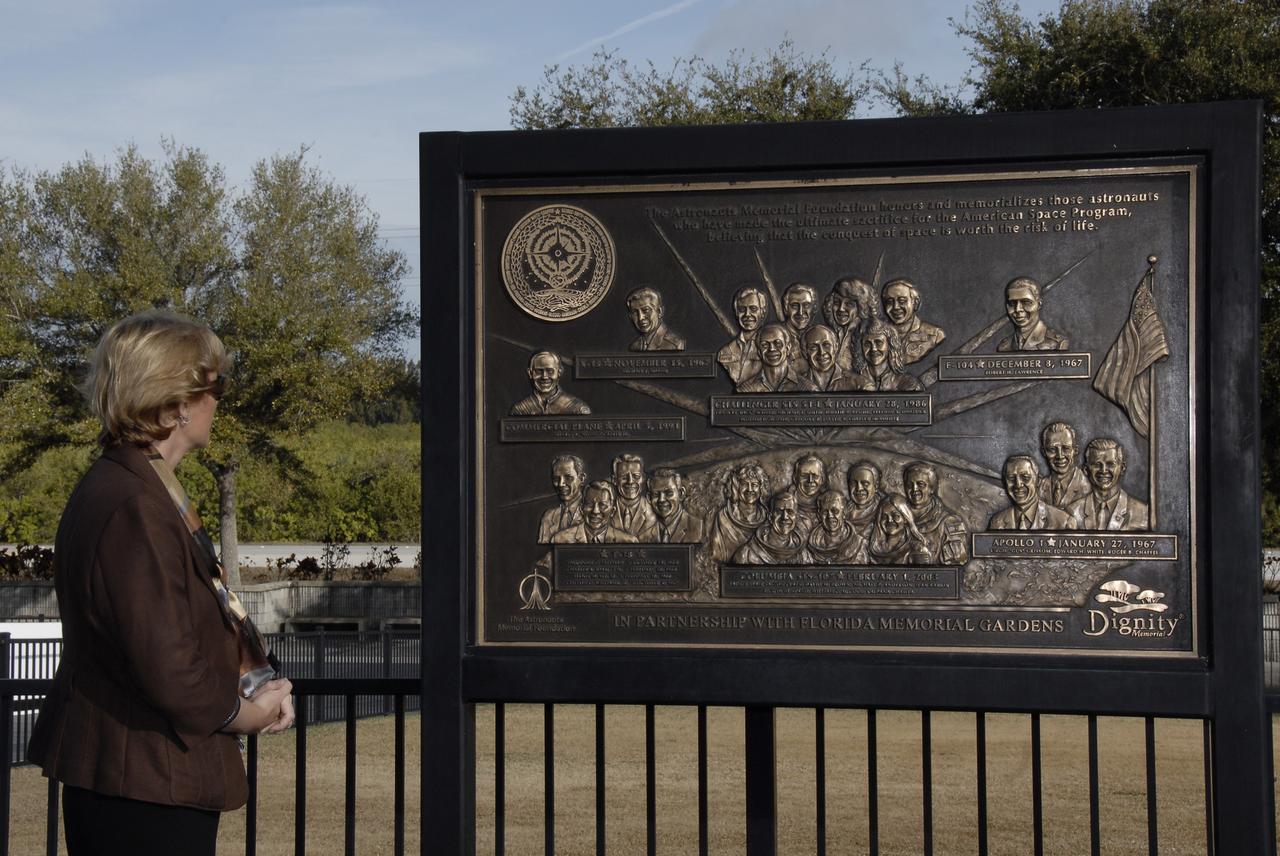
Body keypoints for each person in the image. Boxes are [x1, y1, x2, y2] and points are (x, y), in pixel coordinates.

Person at [27, 310, 294, 856]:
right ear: (175, 405)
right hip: (143, 786)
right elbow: (168, 666)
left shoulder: (138, 488)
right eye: (213, 386)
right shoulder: (134, 505)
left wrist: (252, 682)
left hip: (142, 778)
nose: (219, 400)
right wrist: (249, 714)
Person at [1067, 438, 1150, 531]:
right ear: (1086, 470)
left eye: (1110, 464)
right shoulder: (1073, 512)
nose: (1103, 470)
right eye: (1097, 464)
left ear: (1122, 468)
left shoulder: (1143, 514)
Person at [903, 462, 969, 564]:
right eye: (909, 485)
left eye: (920, 484)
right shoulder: (894, 518)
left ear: (932, 488)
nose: (914, 489)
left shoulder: (948, 521)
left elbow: (955, 566)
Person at [988, 455, 1077, 530]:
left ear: (1038, 481)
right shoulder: (997, 522)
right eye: (1011, 479)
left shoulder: (1063, 522)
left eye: (1025, 477)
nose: (1018, 485)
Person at [706, 460, 770, 562]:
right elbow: (716, 557)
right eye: (745, 484)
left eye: (754, 485)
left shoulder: (768, 519)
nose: (750, 489)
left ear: (761, 489)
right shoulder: (723, 517)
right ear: (736, 487)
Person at [733, 488, 812, 565]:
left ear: (796, 517)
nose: (784, 517)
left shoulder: (804, 557)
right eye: (779, 512)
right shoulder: (746, 555)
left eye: (790, 512)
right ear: (770, 517)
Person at [550, 481, 640, 543]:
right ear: (581, 509)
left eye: (602, 505)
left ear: (612, 511)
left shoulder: (628, 542)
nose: (595, 511)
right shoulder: (560, 540)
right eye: (589, 504)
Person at [881, 278, 945, 364]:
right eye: (889, 301)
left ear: (915, 303)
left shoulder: (935, 335)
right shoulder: (877, 335)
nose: (896, 307)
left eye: (902, 301)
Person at [822, 277, 878, 373]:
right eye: (836, 302)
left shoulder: (869, 336)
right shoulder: (827, 333)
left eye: (849, 304)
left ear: (861, 308)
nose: (841, 309)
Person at [997, 277, 1069, 352]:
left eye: (1026, 302)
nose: (1018, 309)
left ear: (1039, 304)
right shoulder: (1004, 346)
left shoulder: (1057, 344)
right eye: (1012, 303)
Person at [849, 319, 924, 391]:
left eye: (878, 343)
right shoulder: (851, 382)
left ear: (890, 345)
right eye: (867, 344)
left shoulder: (909, 385)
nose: (873, 349)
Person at [509, 350, 591, 415]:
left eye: (550, 371)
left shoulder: (577, 409)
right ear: (530, 373)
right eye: (539, 371)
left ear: (559, 372)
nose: (544, 376)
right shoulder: (519, 410)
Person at [717, 286, 769, 388]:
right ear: (736, 312)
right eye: (742, 309)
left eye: (753, 309)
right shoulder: (725, 352)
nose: (747, 314)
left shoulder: (773, 350)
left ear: (762, 312)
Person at [638, 468, 704, 543]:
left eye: (668, 493)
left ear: (681, 494)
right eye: (656, 494)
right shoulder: (642, 534)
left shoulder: (699, 527)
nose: (661, 499)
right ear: (649, 498)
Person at [1037, 421, 1092, 510]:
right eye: (1052, 449)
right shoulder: (1038, 488)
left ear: (1075, 450)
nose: (1060, 456)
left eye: (1066, 449)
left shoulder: (1088, 487)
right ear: (1044, 452)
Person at [867, 493, 933, 565]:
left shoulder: (917, 550)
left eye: (895, 516)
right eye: (885, 516)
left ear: (905, 518)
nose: (890, 520)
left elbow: (922, 574)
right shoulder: (869, 547)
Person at [808, 490, 869, 564]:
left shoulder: (860, 545)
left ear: (844, 513)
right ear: (819, 515)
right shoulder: (809, 549)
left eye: (835, 511)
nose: (830, 516)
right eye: (825, 512)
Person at [738, 323, 803, 392]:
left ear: (788, 348)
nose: (771, 349)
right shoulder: (745, 390)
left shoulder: (806, 388)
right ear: (759, 351)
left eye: (778, 343)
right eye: (765, 345)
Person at [538, 454, 587, 542]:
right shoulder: (548, 517)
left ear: (581, 479)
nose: (561, 484)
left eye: (568, 478)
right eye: (556, 479)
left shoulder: (594, 514)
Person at [795, 325, 858, 392]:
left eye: (826, 345)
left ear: (836, 347)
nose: (821, 352)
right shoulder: (795, 386)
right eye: (813, 347)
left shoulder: (858, 384)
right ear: (805, 352)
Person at [610, 453, 658, 537]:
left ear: (643, 478)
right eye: (624, 477)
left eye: (636, 476)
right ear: (614, 480)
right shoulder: (604, 509)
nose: (630, 481)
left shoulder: (654, 511)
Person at [626, 286, 686, 351]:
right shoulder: (635, 346)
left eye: (646, 310)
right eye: (635, 312)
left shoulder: (675, 345)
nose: (640, 318)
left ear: (659, 312)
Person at [846, 460, 885, 538]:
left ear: (876, 485)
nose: (859, 488)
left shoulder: (883, 511)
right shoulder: (843, 510)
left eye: (865, 484)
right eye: (854, 483)